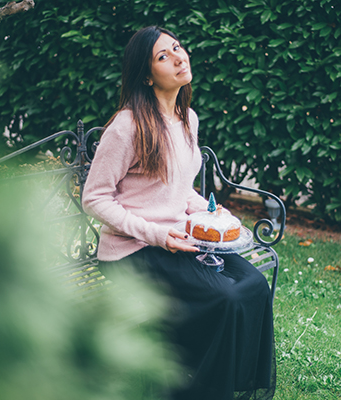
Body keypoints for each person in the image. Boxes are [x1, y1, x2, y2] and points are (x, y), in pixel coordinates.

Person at [82, 26, 275, 400]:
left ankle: (233, 385)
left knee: (252, 285)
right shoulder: (128, 125)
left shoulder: (188, 119)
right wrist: (155, 234)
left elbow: (178, 188)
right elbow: (95, 198)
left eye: (177, 47)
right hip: (132, 251)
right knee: (225, 298)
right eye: (163, 56)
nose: (178, 57)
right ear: (146, 75)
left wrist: (213, 215)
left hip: (178, 238)